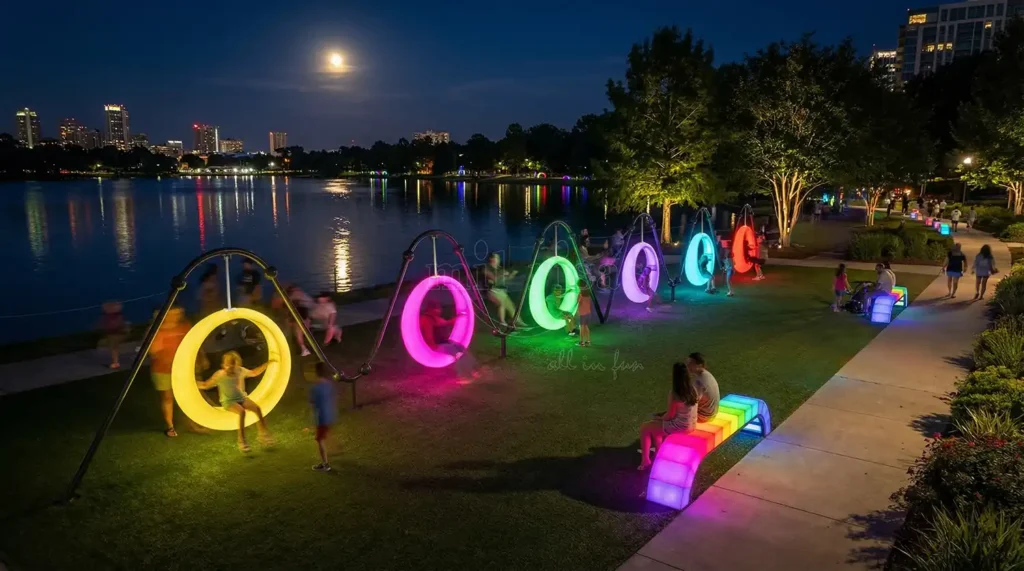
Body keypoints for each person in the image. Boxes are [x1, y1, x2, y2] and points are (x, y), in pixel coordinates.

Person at [197, 350, 275, 453]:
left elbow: (255, 372)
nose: (231, 368)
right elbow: (205, 385)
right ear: (223, 365)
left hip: (241, 398)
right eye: (228, 365)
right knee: (242, 412)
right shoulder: (220, 375)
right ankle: (242, 441)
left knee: (257, 408)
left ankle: (263, 435)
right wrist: (191, 382)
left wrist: (267, 364)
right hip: (228, 402)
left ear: (237, 364)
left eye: (233, 364)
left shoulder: (240, 371)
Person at [637, 362, 699, 471]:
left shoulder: (675, 393)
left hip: (681, 427)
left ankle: (645, 460)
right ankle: (659, 453)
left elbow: (669, 416)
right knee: (656, 427)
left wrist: (659, 418)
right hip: (692, 424)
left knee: (645, 427)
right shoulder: (692, 390)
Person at [150, 307, 192, 437]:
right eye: (172, 314)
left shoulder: (185, 326)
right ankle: (170, 426)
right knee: (168, 397)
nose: (176, 316)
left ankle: (192, 422)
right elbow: (153, 351)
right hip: (162, 370)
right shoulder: (156, 330)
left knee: (188, 396)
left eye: (178, 313)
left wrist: (201, 358)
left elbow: (193, 342)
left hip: (183, 368)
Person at [483, 252, 526, 329]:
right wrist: (502, 274)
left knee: (511, 306)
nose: (498, 260)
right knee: (501, 304)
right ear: (491, 259)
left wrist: (512, 274)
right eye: (496, 258)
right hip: (492, 292)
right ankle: (502, 322)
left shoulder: (500, 269)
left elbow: (505, 280)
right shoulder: (487, 268)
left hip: (502, 292)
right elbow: (495, 279)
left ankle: (519, 322)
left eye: (498, 258)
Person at [309, 361, 337, 472]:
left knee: (320, 440)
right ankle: (335, 451)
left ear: (316, 372)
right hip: (329, 415)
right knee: (325, 435)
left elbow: (312, 405)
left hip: (321, 418)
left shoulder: (315, 387)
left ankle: (325, 465)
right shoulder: (329, 384)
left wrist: (313, 421)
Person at [686, 352, 720, 422]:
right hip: (712, 413)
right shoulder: (707, 374)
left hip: (704, 417)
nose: (688, 365)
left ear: (700, 365)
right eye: (688, 363)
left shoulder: (699, 382)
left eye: (691, 363)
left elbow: (692, 403)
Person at [286, 284, 315, 356]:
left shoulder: (296, 297)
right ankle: (305, 348)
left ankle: (304, 349)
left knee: (300, 334)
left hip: (301, 318)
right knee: (301, 334)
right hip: (300, 318)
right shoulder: (295, 297)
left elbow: (310, 304)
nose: (297, 292)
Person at [99, 301, 127, 369]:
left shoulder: (115, 316)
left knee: (114, 348)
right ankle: (115, 362)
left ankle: (115, 363)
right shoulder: (117, 315)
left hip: (114, 334)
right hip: (114, 333)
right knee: (114, 348)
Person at [575, 279, 593, 347]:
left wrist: (577, 311)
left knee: (582, 328)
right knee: (586, 327)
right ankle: (588, 341)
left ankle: (581, 342)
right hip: (588, 313)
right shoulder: (588, 293)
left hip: (582, 313)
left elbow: (578, 303)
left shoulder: (580, 294)